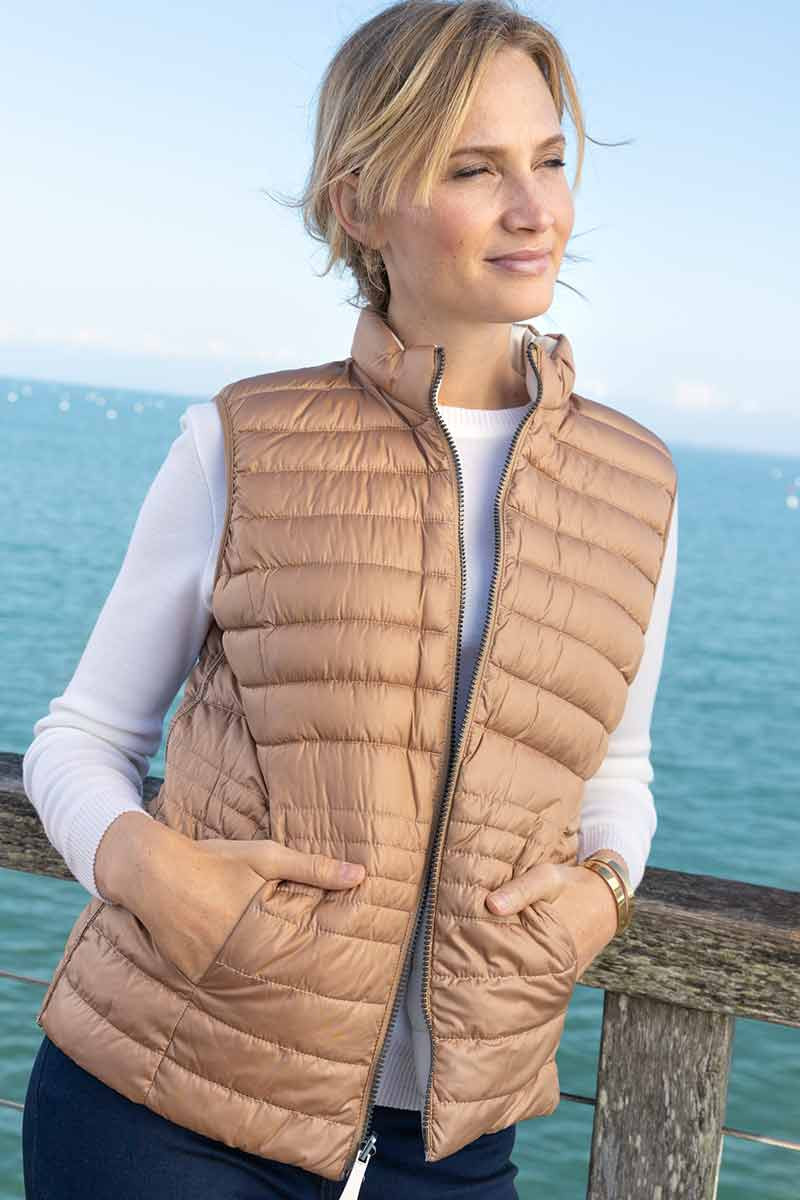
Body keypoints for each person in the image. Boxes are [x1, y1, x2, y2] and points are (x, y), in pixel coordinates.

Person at [21, 2, 678, 1197]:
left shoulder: (636, 483)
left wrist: (602, 893)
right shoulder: (243, 438)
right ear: (359, 203)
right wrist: (153, 873)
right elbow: (81, 739)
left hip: (453, 1147)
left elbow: (615, 774)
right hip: (164, 1103)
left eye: (547, 161)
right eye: (473, 169)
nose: (533, 209)